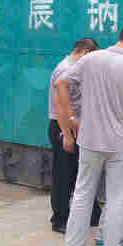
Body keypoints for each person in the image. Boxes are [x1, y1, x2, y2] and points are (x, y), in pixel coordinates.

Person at [56, 25, 123, 246]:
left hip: (89, 140)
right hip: (120, 143)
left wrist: (71, 119)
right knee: (116, 198)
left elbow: (61, 83)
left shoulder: (91, 59)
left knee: (82, 195)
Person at [48, 38, 101, 234]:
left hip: (75, 127)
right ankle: (60, 219)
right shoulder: (65, 70)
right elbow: (61, 106)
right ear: (85, 53)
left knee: (82, 172)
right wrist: (67, 135)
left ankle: (92, 213)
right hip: (64, 127)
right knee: (64, 175)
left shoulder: (74, 68)